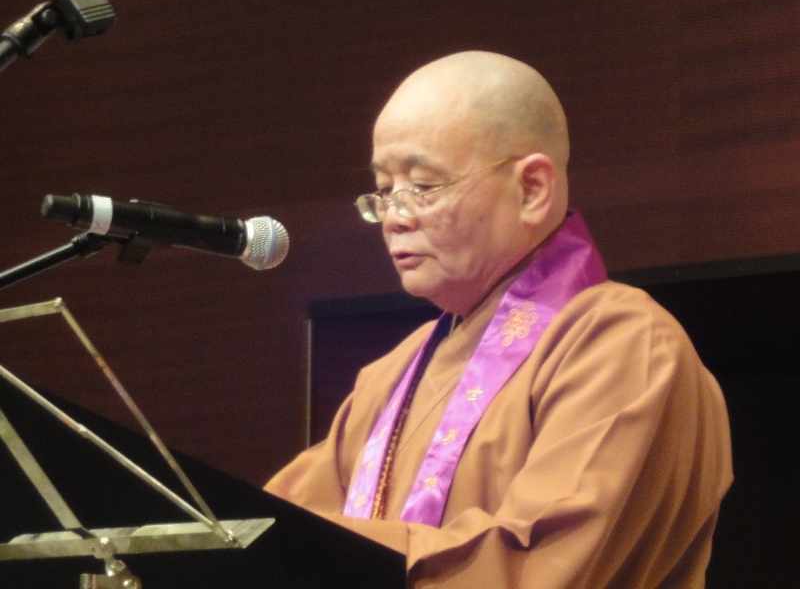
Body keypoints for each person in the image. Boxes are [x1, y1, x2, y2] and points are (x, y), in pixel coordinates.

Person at [265, 51, 733, 588]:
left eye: (423, 186)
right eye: (385, 191)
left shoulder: (623, 344)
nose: (394, 217)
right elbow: (268, 532)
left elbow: (538, 567)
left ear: (532, 189)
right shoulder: (392, 374)